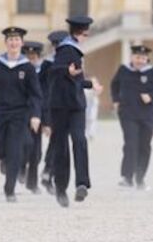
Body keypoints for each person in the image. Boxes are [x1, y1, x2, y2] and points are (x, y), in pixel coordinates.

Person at [0, 26, 44, 202]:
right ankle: (2, 158)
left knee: (15, 150)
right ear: (6, 43)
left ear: (21, 43)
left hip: (19, 114)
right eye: (10, 40)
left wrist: (35, 115)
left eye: (17, 40)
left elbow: (35, 94)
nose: (13, 42)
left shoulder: (27, 67)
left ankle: (9, 189)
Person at [48, 15, 96, 208]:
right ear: (82, 33)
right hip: (61, 106)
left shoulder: (72, 50)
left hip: (74, 104)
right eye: (86, 33)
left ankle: (77, 184)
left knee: (74, 141)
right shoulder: (66, 49)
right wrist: (66, 72)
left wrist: (88, 83)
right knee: (69, 144)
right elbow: (56, 71)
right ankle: (68, 186)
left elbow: (73, 78)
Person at [111, 45, 153, 190]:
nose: (140, 61)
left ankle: (140, 177)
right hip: (128, 113)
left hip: (148, 115)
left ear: (147, 59)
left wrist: (151, 96)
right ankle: (127, 177)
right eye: (137, 57)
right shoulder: (124, 70)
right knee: (130, 144)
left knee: (145, 146)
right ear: (132, 58)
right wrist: (116, 100)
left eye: (143, 58)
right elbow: (114, 85)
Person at [20, 41, 51, 194]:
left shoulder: (44, 74)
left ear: (38, 58)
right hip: (19, 115)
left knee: (36, 153)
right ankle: (19, 168)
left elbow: (45, 99)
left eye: (33, 57)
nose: (31, 60)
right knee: (24, 146)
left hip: (36, 116)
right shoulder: (19, 72)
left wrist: (46, 122)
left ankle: (32, 184)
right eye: (28, 57)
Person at [39, 30, 65, 194]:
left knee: (58, 144)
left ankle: (49, 172)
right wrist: (46, 120)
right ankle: (49, 172)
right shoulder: (48, 65)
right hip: (52, 109)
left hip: (67, 109)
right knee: (57, 143)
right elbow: (43, 93)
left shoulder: (73, 61)